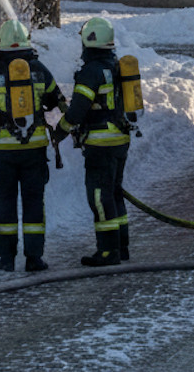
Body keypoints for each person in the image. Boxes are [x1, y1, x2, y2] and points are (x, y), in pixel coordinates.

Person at [0, 19, 65, 272]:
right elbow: (56, 99)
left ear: (0, 43)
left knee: (5, 203)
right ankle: (34, 258)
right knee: (34, 203)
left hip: (5, 152)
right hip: (35, 151)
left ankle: (6, 259)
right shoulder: (39, 70)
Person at [54, 16, 136, 267]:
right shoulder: (115, 65)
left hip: (101, 144)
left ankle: (107, 251)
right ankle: (121, 247)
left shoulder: (91, 71)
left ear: (89, 42)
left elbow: (78, 110)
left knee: (99, 197)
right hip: (120, 140)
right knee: (114, 193)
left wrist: (61, 130)